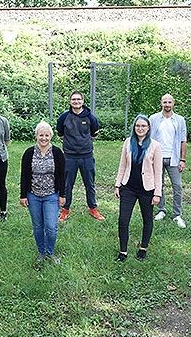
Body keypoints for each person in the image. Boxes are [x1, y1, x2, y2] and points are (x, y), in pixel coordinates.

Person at [114, 115, 163, 261]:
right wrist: (118, 184)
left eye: (143, 126)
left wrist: (157, 193)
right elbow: (122, 165)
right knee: (123, 220)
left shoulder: (155, 146)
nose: (140, 129)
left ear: (148, 129)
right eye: (137, 126)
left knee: (147, 219)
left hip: (147, 189)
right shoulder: (128, 143)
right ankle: (123, 251)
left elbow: (158, 171)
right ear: (134, 128)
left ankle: (143, 248)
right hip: (128, 187)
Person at [20, 121, 66, 263]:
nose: (44, 138)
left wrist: (63, 195)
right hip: (33, 195)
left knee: (51, 227)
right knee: (38, 226)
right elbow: (24, 175)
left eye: (46, 135)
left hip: (51, 195)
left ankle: (50, 252)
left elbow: (63, 175)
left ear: (51, 136)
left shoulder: (57, 153)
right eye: (41, 135)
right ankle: (41, 252)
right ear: (36, 136)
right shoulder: (29, 153)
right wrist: (23, 195)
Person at [56, 91, 104, 222]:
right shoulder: (64, 117)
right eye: (73, 99)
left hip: (87, 156)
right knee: (67, 185)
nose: (76, 101)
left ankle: (93, 208)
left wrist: (85, 144)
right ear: (70, 101)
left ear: (82, 101)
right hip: (69, 157)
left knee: (90, 183)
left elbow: (94, 134)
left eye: (78, 99)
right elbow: (60, 133)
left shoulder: (90, 117)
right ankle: (65, 209)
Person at [149, 93, 188, 228]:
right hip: (157, 158)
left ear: (173, 103)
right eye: (164, 102)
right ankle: (161, 210)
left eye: (169, 102)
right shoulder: (153, 118)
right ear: (161, 103)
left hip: (174, 158)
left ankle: (177, 214)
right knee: (158, 186)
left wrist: (182, 159)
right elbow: (148, 139)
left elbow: (183, 140)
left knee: (177, 186)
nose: (167, 105)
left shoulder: (180, 120)